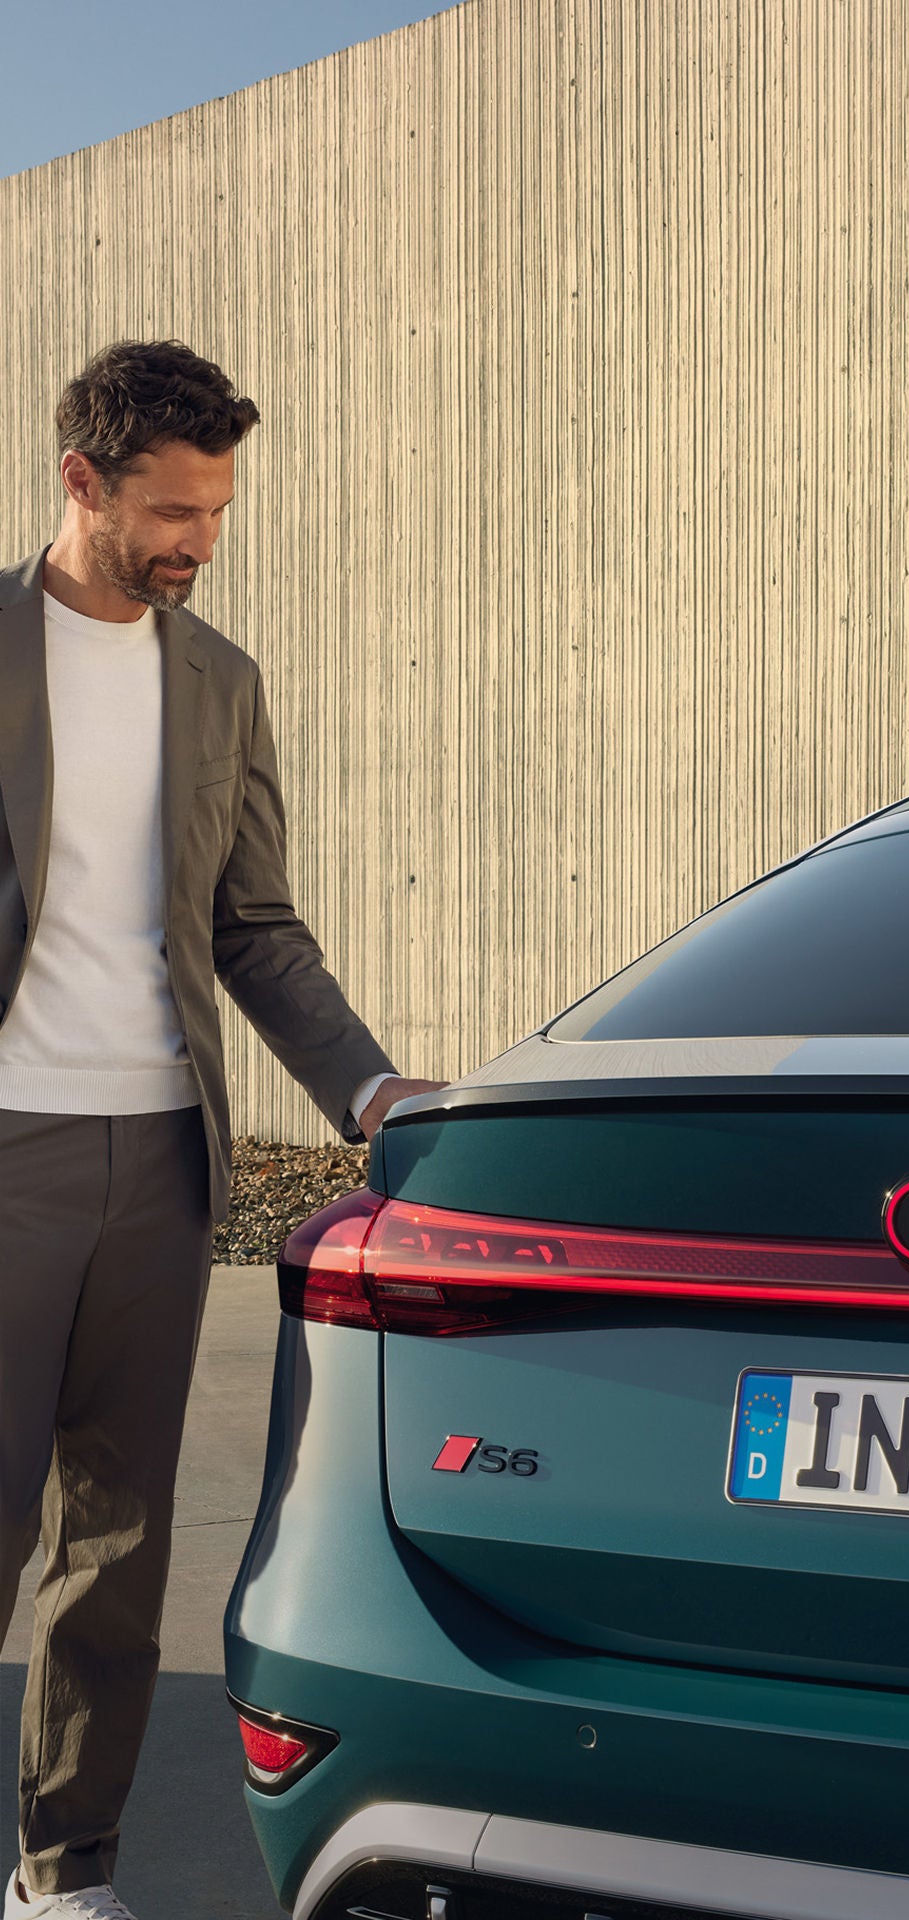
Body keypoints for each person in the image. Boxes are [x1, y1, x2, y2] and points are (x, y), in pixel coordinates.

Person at [0, 339, 443, 1918]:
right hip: (8, 1146)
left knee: (117, 1556)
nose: (196, 540)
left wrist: (371, 1088)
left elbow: (257, 927)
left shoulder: (220, 680)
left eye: (217, 513)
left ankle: (65, 1870)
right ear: (81, 480)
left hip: (165, 1162)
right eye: (172, 510)